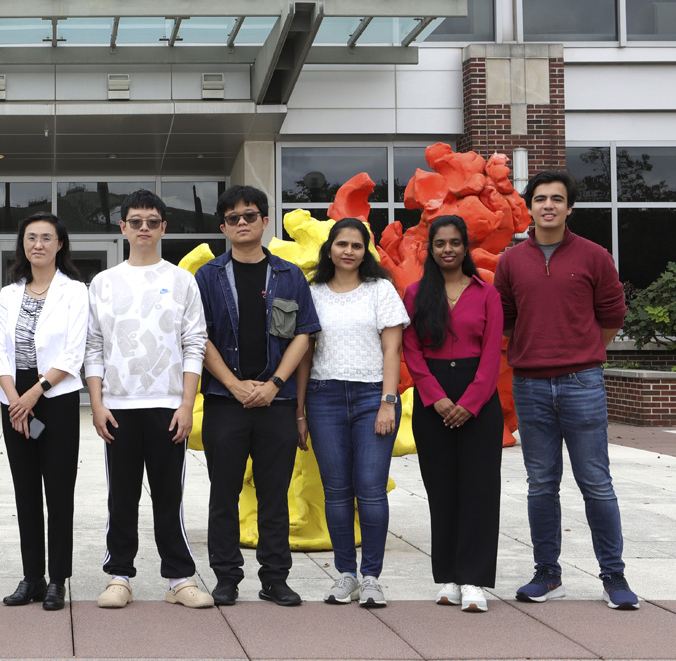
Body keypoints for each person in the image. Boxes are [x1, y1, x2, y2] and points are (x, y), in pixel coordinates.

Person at [494, 171, 637, 610]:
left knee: (596, 483)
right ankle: (547, 573)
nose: (549, 205)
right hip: (530, 385)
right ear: (530, 207)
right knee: (541, 484)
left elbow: (612, 314)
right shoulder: (511, 260)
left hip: (582, 384)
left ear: (570, 208)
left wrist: (586, 348)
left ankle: (614, 577)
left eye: (557, 199)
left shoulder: (594, 256)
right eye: (540, 199)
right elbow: (507, 317)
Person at [86, 189, 213, 610]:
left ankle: (179, 578)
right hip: (118, 408)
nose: (144, 228)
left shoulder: (182, 281)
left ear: (164, 227)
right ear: (122, 227)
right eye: (135, 221)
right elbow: (93, 347)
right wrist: (98, 403)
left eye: (152, 221)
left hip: (167, 405)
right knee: (121, 496)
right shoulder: (103, 283)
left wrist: (186, 404)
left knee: (168, 497)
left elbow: (195, 344)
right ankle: (118, 576)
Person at [194, 186, 319, 607]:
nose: (242, 223)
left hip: (276, 404)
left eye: (250, 216)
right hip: (224, 402)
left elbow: (303, 333)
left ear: (265, 221)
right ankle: (226, 577)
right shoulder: (208, 276)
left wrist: (275, 386)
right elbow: (198, 336)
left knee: (274, 495)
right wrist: (233, 384)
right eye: (233, 218)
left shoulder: (289, 275)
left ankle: (275, 578)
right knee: (224, 494)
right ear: (223, 226)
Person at [296, 217, 408, 608]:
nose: (348, 251)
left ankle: (373, 577)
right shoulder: (313, 292)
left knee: (371, 489)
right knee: (337, 491)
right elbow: (304, 354)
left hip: (371, 397)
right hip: (322, 398)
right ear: (330, 248)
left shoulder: (381, 290)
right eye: (341, 244)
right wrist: (300, 412)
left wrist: (388, 402)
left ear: (366, 251)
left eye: (356, 246)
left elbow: (392, 350)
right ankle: (346, 575)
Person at [402, 215, 504, 613]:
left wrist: (470, 403)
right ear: (431, 248)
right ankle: (447, 577)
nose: (448, 249)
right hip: (433, 401)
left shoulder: (486, 293)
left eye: (455, 242)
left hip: (478, 399)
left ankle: (475, 580)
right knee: (441, 489)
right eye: (440, 243)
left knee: (479, 491)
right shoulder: (415, 293)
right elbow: (411, 350)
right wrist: (436, 397)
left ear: (466, 247)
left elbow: (493, 353)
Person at [0, 213, 88, 612]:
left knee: (59, 492)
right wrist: (16, 398)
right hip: (14, 398)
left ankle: (58, 579)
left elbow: (73, 351)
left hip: (56, 395)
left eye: (47, 238)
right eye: (31, 238)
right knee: (25, 491)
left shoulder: (76, 291)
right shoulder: (8, 293)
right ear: (22, 245)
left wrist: (35, 393)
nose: (38, 245)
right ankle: (32, 577)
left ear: (60, 244)